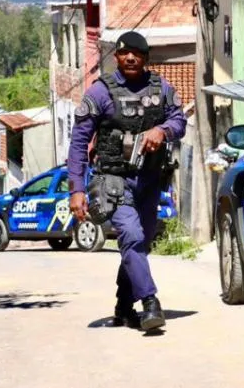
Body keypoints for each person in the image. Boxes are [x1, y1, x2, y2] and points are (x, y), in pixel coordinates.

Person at [68, 31, 187, 331]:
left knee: (139, 243)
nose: (131, 57)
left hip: (149, 180)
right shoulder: (100, 92)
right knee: (131, 236)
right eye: (124, 53)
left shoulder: (161, 89)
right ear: (117, 57)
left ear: (146, 58)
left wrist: (163, 131)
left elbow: (179, 120)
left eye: (137, 53)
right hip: (113, 180)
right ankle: (149, 303)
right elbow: (79, 143)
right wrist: (77, 190)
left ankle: (123, 305)